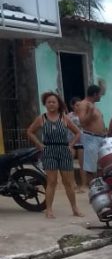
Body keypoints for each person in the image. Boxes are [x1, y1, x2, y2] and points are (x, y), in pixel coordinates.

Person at [26, 91, 83, 219]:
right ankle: (49, 210)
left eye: (54, 102)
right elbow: (30, 131)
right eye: (48, 102)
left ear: (58, 104)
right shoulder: (42, 118)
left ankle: (75, 209)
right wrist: (38, 144)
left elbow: (78, 132)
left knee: (68, 182)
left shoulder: (64, 118)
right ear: (45, 104)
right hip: (49, 151)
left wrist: (71, 145)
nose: (51, 104)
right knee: (51, 182)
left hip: (64, 151)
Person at [76, 84, 106, 180]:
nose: (100, 96)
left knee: (100, 166)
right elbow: (82, 122)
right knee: (91, 168)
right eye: (99, 94)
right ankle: (93, 187)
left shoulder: (93, 105)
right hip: (91, 138)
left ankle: (99, 186)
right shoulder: (83, 104)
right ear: (95, 94)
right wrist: (91, 112)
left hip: (100, 138)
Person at [67, 96, 84, 188]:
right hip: (71, 142)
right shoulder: (69, 116)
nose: (78, 107)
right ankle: (73, 183)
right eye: (77, 105)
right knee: (70, 163)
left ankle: (83, 184)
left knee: (82, 164)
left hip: (82, 142)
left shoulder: (84, 116)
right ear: (72, 106)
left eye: (80, 105)